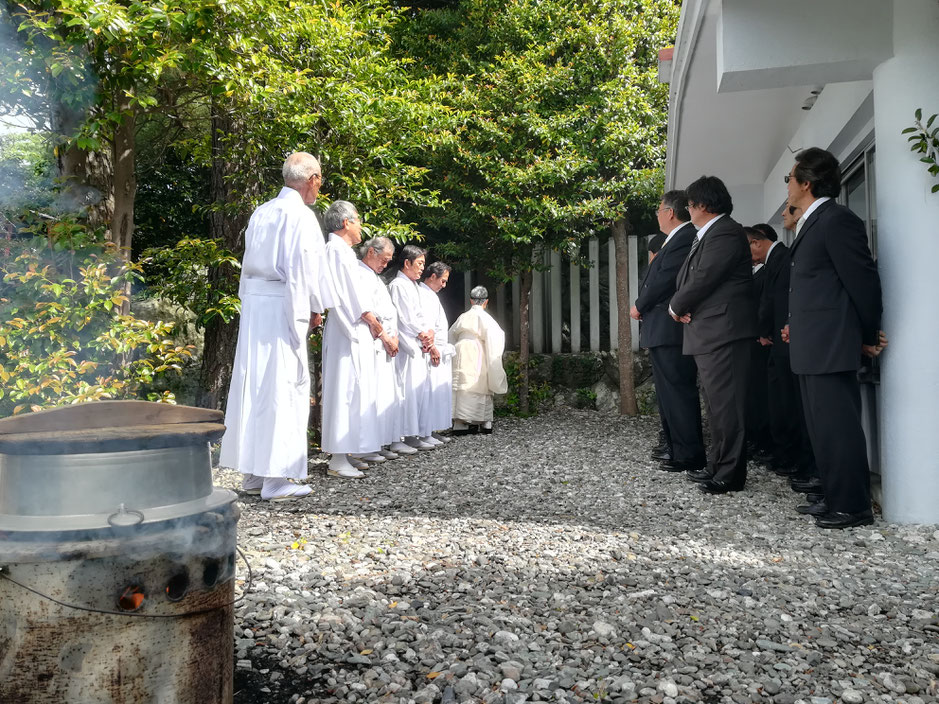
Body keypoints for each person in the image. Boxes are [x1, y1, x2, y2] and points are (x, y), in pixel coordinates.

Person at [219, 152, 331, 501]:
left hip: (256, 304)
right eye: (320, 179)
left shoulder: (262, 211)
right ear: (311, 178)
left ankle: (253, 472)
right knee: (282, 386)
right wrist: (313, 309)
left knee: (254, 384)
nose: (320, 186)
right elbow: (303, 269)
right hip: (283, 302)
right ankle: (276, 477)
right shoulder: (300, 215)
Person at [785, 147, 884, 529]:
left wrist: (867, 333)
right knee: (820, 426)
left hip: (831, 343)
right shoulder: (814, 221)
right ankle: (832, 493)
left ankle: (852, 505)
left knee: (838, 425)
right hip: (814, 342)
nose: (788, 186)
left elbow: (862, 280)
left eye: (789, 178)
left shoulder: (836, 220)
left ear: (806, 183)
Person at [669, 175, 756, 494]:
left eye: (690, 205)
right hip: (712, 331)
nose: (688, 211)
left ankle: (730, 474)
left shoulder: (725, 232)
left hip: (724, 332)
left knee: (726, 406)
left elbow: (704, 277)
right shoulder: (712, 234)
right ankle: (718, 466)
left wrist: (675, 306)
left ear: (702, 205)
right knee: (717, 406)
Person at [630, 191, 704, 473]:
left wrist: (639, 305)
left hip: (669, 326)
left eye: (659, 210)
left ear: (670, 212)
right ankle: (676, 449)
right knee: (668, 393)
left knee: (678, 391)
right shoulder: (676, 240)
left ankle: (688, 454)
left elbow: (663, 281)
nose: (657, 215)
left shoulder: (684, 239)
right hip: (661, 326)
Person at [748, 220, 818, 501]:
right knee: (780, 401)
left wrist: (766, 330)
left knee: (789, 404)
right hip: (778, 339)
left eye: (748, 248)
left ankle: (797, 460)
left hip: (784, 340)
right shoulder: (775, 260)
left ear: (757, 242)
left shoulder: (781, 258)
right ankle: (788, 456)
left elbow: (777, 301)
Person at [320, 201, 383, 478]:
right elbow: (348, 294)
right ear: (346, 222)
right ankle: (337, 457)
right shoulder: (336, 250)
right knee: (344, 390)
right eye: (357, 220)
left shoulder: (341, 251)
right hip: (348, 328)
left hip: (353, 327)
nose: (360, 227)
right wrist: (370, 318)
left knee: (354, 391)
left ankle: (347, 451)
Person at [357, 236, 407, 460]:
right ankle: (368, 445)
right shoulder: (360, 274)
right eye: (384, 260)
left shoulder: (375, 278)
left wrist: (394, 335)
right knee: (373, 395)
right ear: (371, 253)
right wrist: (385, 336)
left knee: (386, 395)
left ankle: (381, 440)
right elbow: (367, 311)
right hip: (376, 340)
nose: (385, 265)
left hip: (387, 340)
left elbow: (389, 311)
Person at [388, 245, 436, 452]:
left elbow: (419, 315)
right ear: (406, 263)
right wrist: (421, 333)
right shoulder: (398, 284)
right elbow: (405, 317)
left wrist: (428, 333)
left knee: (417, 392)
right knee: (404, 392)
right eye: (419, 264)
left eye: (423, 265)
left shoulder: (412, 285)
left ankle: (412, 433)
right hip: (407, 342)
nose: (421, 269)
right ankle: (399, 436)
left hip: (418, 341)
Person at [449, 286, 508, 434]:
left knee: (462, 384)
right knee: (479, 383)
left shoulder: (462, 317)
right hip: (478, 350)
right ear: (486, 302)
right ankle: (483, 422)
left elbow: (450, 335)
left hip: (460, 349)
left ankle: (460, 423)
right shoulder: (486, 318)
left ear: (471, 300)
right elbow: (496, 337)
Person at [744, 227, 773, 465]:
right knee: (751, 394)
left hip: (763, 341)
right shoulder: (753, 272)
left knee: (762, 395)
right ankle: (754, 438)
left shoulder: (767, 272)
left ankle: (764, 442)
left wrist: (763, 332)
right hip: (751, 339)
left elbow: (766, 305)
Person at [419, 261, 455, 444]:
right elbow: (426, 325)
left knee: (438, 392)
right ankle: (425, 432)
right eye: (443, 281)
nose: (444, 285)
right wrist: (432, 348)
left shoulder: (430, 295)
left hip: (439, 346)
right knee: (429, 391)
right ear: (433, 276)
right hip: (431, 348)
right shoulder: (423, 295)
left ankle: (432, 429)